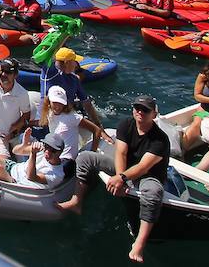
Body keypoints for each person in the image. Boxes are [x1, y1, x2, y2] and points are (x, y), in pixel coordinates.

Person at [58, 95, 169, 263]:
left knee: (153, 193)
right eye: (137, 108)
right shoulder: (126, 124)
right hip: (124, 170)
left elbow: (143, 167)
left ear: (154, 114)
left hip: (148, 175)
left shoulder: (160, 139)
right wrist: (120, 177)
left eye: (145, 110)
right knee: (85, 158)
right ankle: (77, 201)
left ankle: (140, 243)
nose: (140, 112)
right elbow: (121, 153)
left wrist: (121, 179)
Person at [40, 48, 102, 127]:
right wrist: (59, 40)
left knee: (97, 116)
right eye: (74, 61)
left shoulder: (74, 79)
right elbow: (47, 56)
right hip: (50, 112)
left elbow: (86, 102)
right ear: (67, 62)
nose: (76, 65)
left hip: (68, 110)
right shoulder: (50, 74)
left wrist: (97, 123)